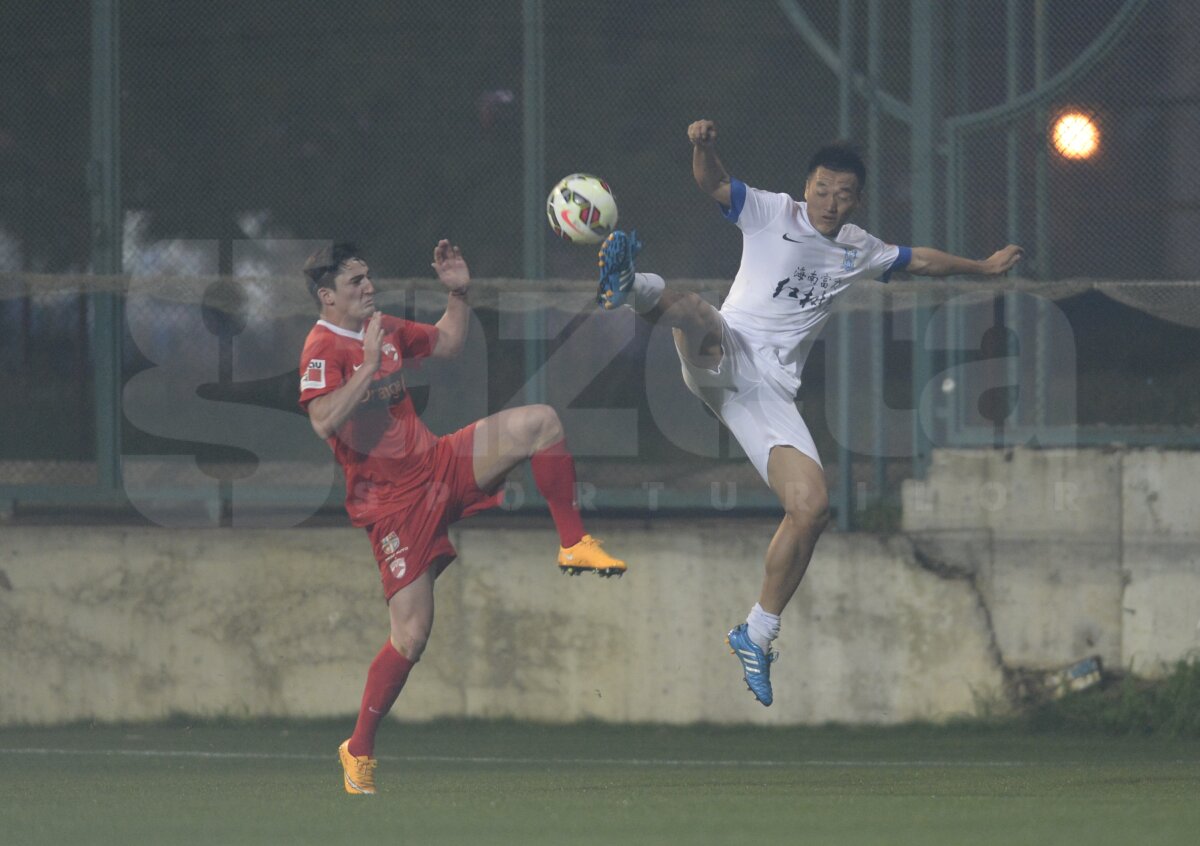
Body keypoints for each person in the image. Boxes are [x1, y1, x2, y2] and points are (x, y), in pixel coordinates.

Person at [596, 119, 1022, 707]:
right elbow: (714, 183)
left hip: (768, 392)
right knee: (697, 312)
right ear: (807, 187)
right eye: (822, 189)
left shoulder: (858, 248)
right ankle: (633, 285)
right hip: (727, 350)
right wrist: (703, 146)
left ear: (856, 200)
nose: (829, 201)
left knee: (813, 507)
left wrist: (983, 266)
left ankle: (757, 632)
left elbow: (920, 261)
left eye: (842, 194)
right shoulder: (773, 212)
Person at [299, 240, 625, 794]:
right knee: (411, 637)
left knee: (541, 422)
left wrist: (458, 292)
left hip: (438, 464)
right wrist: (370, 365)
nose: (369, 288)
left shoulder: (382, 326)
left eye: (368, 277)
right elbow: (323, 421)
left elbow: (449, 342)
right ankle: (358, 750)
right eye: (355, 282)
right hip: (393, 507)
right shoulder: (322, 346)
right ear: (327, 296)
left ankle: (574, 542)